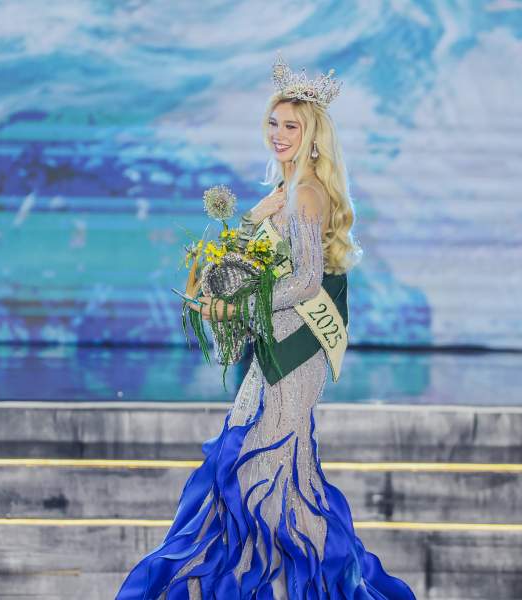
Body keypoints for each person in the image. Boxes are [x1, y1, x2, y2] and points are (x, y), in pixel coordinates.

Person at [115, 53, 416, 600]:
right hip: (275, 349)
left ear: (313, 135)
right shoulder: (287, 190)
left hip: (294, 356)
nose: (278, 134)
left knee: (267, 473)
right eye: (273, 123)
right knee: (262, 469)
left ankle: (320, 584)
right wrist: (251, 220)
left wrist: (234, 310)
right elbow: (252, 262)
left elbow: (303, 283)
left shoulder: (305, 194)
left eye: (291, 126)